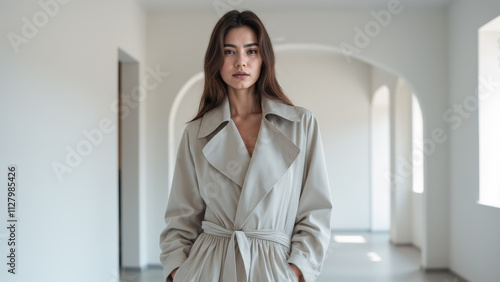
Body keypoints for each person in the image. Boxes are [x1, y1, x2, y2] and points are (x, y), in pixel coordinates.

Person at [159, 10, 333, 282]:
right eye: (229, 52)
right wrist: (179, 272)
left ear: (264, 59)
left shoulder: (301, 125)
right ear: (217, 61)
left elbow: (316, 211)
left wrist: (296, 271)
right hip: (209, 268)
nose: (241, 61)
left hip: (274, 269)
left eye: (251, 51)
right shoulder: (197, 133)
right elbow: (182, 216)